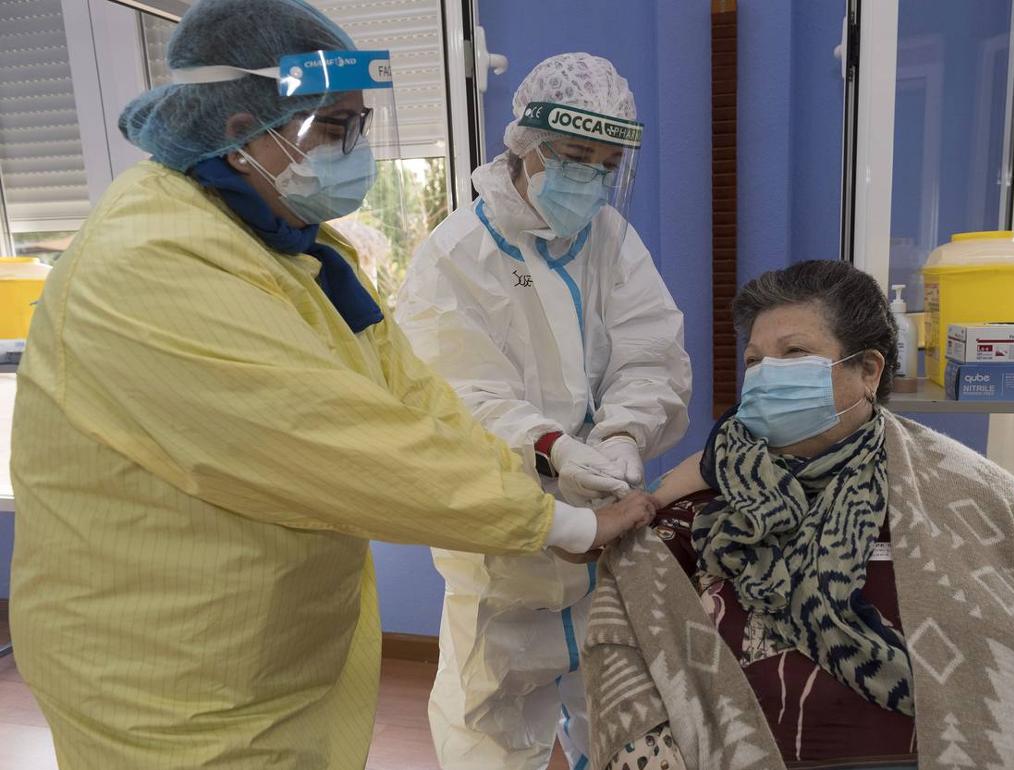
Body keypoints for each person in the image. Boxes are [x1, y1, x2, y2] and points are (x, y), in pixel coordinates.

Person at [7, 3, 655, 768]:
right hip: (167, 672)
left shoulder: (290, 246)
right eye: (337, 127)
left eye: (360, 124)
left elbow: (410, 395)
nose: (358, 150)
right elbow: (338, 439)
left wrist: (600, 448)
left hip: (263, 647)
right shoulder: (151, 261)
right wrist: (557, 514)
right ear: (244, 126)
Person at [583, 260, 1014, 770]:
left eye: (795, 353)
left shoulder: (971, 492)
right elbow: (620, 625)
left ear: (869, 371)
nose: (764, 374)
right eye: (755, 360)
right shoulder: (708, 493)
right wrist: (646, 749)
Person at [395, 53, 692, 770]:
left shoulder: (612, 240)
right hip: (508, 544)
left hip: (610, 540)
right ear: (524, 148)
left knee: (618, 716)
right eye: (574, 157)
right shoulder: (457, 254)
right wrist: (552, 446)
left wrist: (624, 434)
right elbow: (456, 393)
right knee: (489, 730)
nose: (589, 177)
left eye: (605, 161)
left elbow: (649, 351)